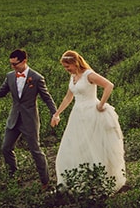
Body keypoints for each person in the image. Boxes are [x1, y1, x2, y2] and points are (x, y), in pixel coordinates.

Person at [0, 49, 57, 190]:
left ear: (24, 61)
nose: (13, 67)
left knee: (35, 150)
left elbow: (47, 97)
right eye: (11, 64)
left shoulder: (37, 78)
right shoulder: (10, 76)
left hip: (29, 119)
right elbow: (2, 92)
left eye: (15, 64)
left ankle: (45, 181)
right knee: (6, 148)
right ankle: (14, 177)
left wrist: (55, 113)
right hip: (14, 118)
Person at [50, 50, 126, 193]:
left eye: (68, 66)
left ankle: (98, 180)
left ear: (75, 63)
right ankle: (77, 182)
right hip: (77, 115)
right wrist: (57, 114)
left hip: (92, 113)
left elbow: (109, 85)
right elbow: (68, 97)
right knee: (72, 147)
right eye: (65, 67)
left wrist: (101, 104)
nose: (66, 69)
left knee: (93, 147)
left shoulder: (88, 75)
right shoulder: (73, 77)